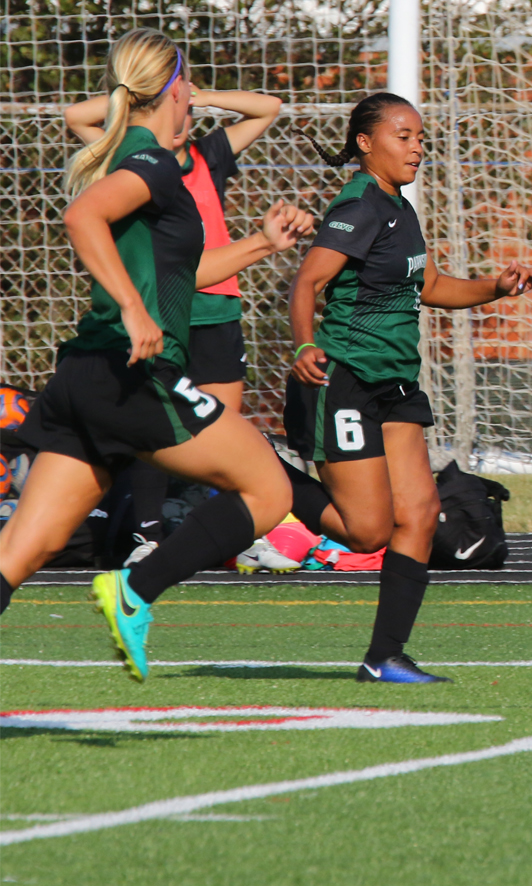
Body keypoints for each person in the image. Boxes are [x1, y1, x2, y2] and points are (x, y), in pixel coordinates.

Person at [0, 28, 315, 681]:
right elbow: (83, 217)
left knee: (17, 556)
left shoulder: (140, 157)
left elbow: (183, 273)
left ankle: (131, 589)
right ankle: (135, 591)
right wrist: (133, 308)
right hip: (135, 374)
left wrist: (262, 243)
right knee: (268, 487)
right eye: (189, 83)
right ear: (173, 90)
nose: (193, 96)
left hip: (86, 377)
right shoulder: (152, 162)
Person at [286, 92, 532, 684]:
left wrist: (495, 287)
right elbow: (307, 282)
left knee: (422, 513)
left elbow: (429, 286)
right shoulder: (359, 205)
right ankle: (262, 474)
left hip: (396, 384)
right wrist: (304, 346)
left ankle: (384, 657)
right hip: (349, 378)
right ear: (365, 143)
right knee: (367, 531)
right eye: (403, 136)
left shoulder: (400, 207)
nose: (416, 148)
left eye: (420, 138)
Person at [64, 75, 301, 574]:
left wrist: (197, 96)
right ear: (165, 99)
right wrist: (137, 93)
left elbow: (269, 105)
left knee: (27, 543)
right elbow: (82, 209)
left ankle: (229, 536)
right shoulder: (142, 161)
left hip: (197, 316)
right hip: (140, 333)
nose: (185, 112)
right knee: (238, 471)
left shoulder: (200, 157)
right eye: (180, 95)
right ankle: (148, 545)